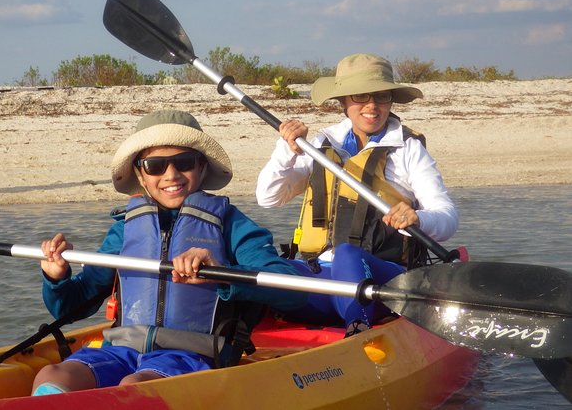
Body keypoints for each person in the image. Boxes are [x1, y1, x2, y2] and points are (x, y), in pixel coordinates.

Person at [32, 110, 305, 395]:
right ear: (141, 172)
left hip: (192, 355)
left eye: (184, 162)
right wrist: (57, 278)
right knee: (52, 375)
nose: (171, 175)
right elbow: (69, 306)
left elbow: (290, 289)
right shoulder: (124, 229)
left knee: (135, 386)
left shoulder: (232, 225)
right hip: (121, 350)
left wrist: (222, 276)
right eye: (155, 165)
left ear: (201, 166)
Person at [256, 53, 458, 329]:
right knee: (263, 265)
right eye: (361, 96)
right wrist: (286, 149)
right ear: (343, 102)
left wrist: (418, 219)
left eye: (381, 96)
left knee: (348, 254)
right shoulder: (321, 143)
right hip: (321, 277)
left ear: (391, 99)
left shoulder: (408, 148)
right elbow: (267, 197)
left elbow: (447, 218)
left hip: (382, 282)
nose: (372, 106)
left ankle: (357, 331)